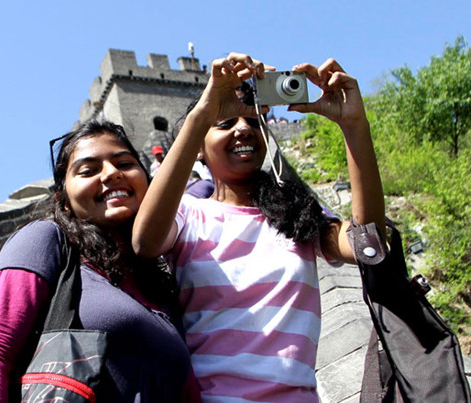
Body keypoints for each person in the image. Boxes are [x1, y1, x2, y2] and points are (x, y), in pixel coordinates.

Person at [132, 53, 385, 402]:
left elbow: (369, 244)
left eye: (253, 122)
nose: (242, 129)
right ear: (199, 148)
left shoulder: (298, 216)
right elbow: (145, 241)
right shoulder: (188, 213)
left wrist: (355, 127)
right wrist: (202, 113)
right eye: (225, 123)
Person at [0, 119, 202, 402]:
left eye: (125, 164)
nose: (112, 174)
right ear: (63, 199)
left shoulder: (163, 285)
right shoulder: (46, 241)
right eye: (89, 170)